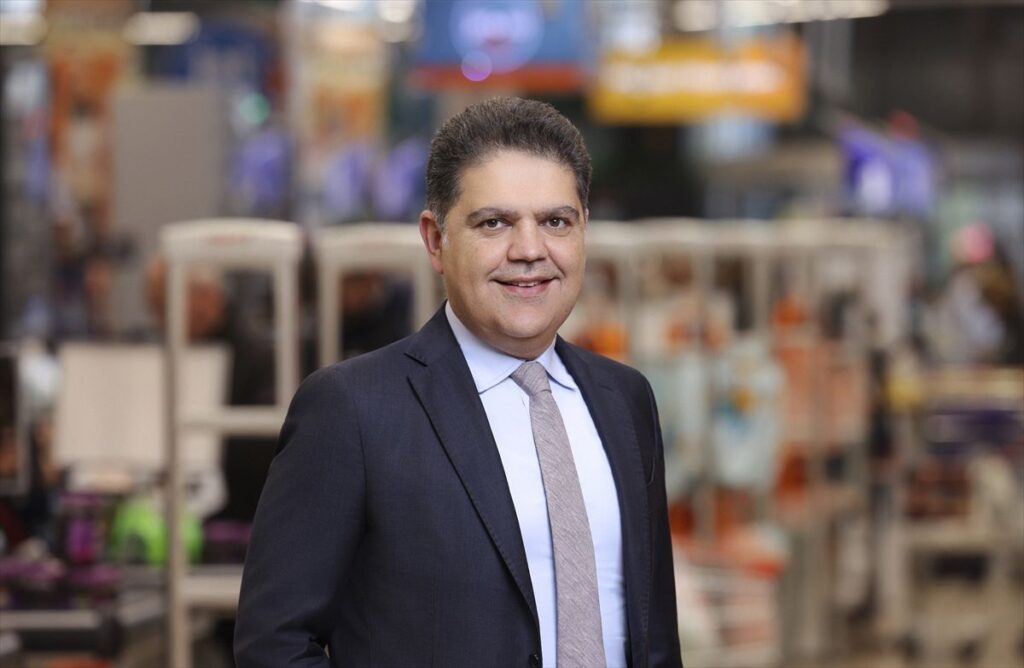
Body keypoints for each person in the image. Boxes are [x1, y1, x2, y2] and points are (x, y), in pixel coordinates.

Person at [235, 98, 682, 668]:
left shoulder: (626, 401)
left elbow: (655, 638)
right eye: (494, 223)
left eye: (555, 222)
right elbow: (274, 644)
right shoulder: (353, 411)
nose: (529, 250)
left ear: (583, 232)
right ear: (435, 240)